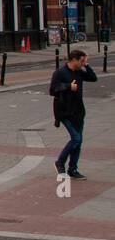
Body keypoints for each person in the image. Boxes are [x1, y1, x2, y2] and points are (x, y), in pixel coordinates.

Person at [50, 48, 97, 180]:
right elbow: (53, 90)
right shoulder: (60, 73)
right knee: (76, 139)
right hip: (64, 111)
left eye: (84, 61)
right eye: (81, 61)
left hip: (78, 111)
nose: (83, 63)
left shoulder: (79, 72)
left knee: (78, 142)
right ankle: (60, 162)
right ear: (74, 60)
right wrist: (68, 86)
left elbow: (93, 78)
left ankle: (73, 169)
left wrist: (87, 65)